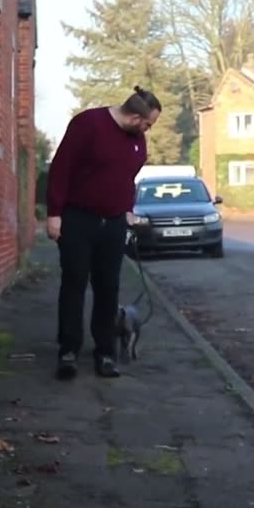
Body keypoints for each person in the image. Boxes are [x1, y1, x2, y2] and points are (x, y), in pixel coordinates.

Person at [45, 86, 161, 380]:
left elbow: (127, 178)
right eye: (147, 124)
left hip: (113, 223)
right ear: (135, 117)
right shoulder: (88, 124)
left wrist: (127, 208)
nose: (148, 130)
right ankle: (68, 350)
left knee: (108, 288)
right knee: (74, 282)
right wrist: (55, 213)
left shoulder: (137, 140)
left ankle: (105, 352)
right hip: (77, 218)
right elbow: (61, 168)